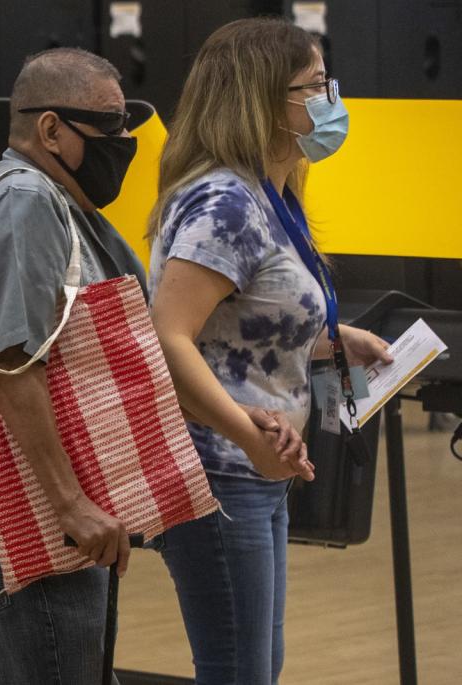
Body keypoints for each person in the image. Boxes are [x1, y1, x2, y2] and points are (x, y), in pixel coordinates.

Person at [0, 46, 310, 685]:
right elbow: (9, 360)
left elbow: (126, 358)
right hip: (23, 500)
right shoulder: (25, 203)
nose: (126, 140)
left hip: (49, 499)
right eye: (108, 125)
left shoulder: (64, 206)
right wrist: (68, 504)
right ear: (50, 128)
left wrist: (235, 416)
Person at [146, 18, 393, 685]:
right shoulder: (225, 201)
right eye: (315, 87)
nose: (330, 101)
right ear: (263, 99)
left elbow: (242, 328)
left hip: (258, 468)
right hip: (222, 467)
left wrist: (338, 339)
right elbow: (169, 336)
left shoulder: (271, 194)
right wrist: (245, 435)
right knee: (238, 671)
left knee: (258, 667)